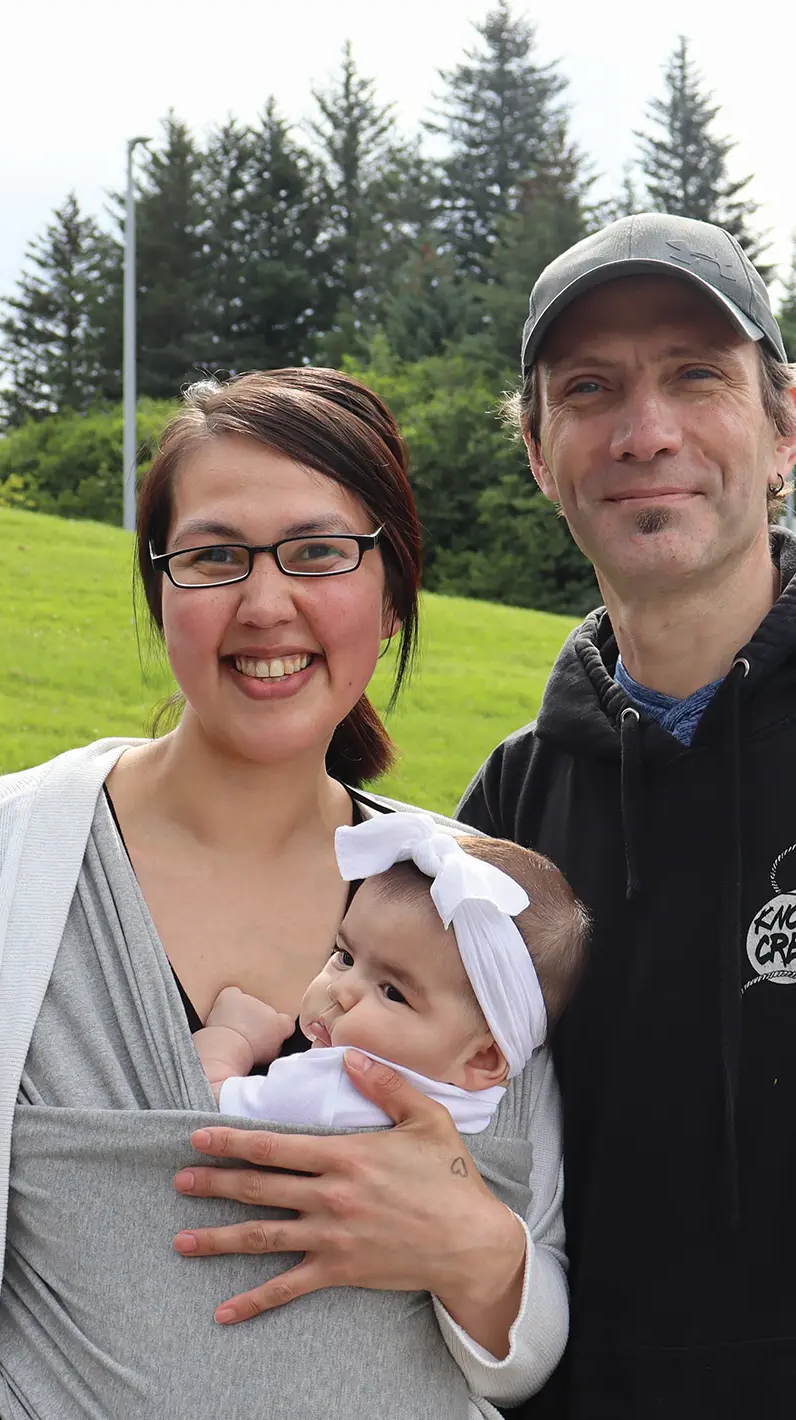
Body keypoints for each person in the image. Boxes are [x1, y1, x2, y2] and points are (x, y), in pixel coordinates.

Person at [0, 367, 570, 1420]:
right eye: (214, 555)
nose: (265, 601)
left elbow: (532, 1320)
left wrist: (473, 1246)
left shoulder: (476, 903)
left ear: (391, 596)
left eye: (320, 551)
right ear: (160, 590)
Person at [456, 212, 796, 1418]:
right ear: (543, 457)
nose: (645, 432)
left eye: (696, 377)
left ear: (783, 430)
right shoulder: (503, 813)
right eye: (589, 389)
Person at [197, 815, 588, 1143]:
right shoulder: (482, 1119)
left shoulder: (330, 1086)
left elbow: (200, 1107)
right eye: (345, 957)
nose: (341, 989)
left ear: (483, 1057)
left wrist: (232, 1037)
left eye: (392, 992)